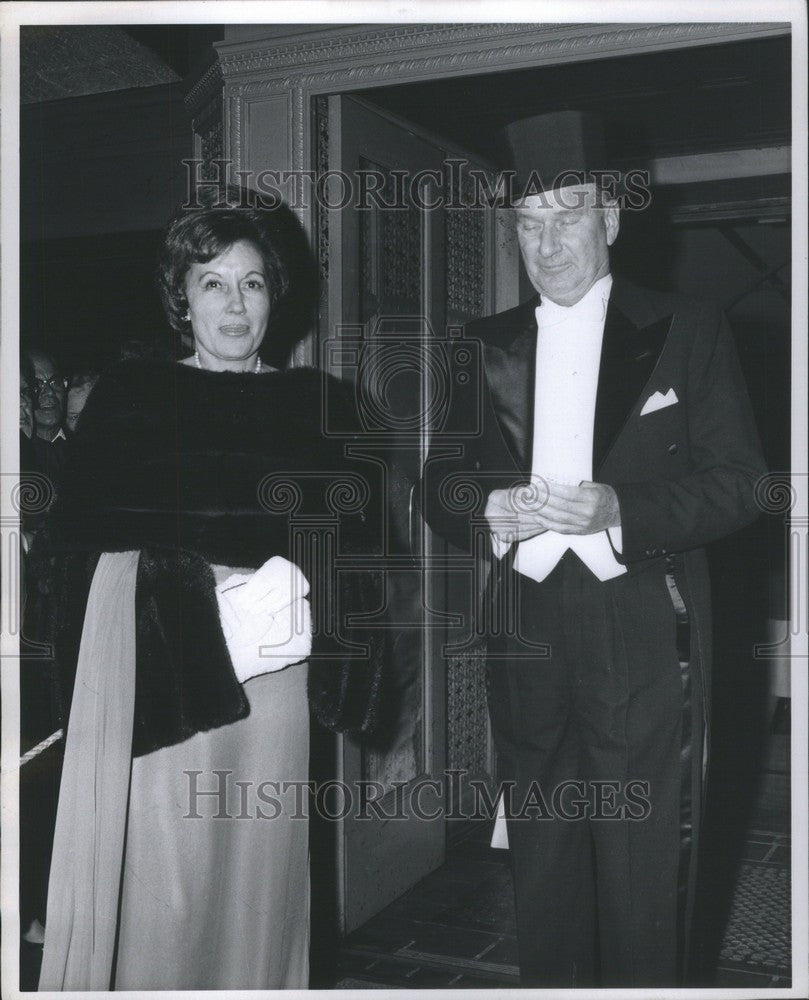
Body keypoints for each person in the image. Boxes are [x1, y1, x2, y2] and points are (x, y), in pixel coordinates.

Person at [421, 110, 767, 988]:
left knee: (645, 843)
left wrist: (622, 507)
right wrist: (486, 507)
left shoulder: (686, 326)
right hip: (525, 622)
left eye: (566, 216)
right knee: (541, 839)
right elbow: (439, 484)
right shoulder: (482, 344)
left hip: (642, 620)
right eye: (527, 224)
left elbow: (739, 485)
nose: (546, 243)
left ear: (609, 221)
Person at [38, 194, 383, 991]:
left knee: (262, 877)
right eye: (213, 283)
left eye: (252, 284)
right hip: (168, 677)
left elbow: (358, 555)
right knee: (172, 885)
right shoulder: (131, 398)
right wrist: (196, 586)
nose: (234, 304)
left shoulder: (320, 406)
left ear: (275, 297)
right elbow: (73, 551)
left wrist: (304, 582)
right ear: (181, 298)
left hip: (274, 680)